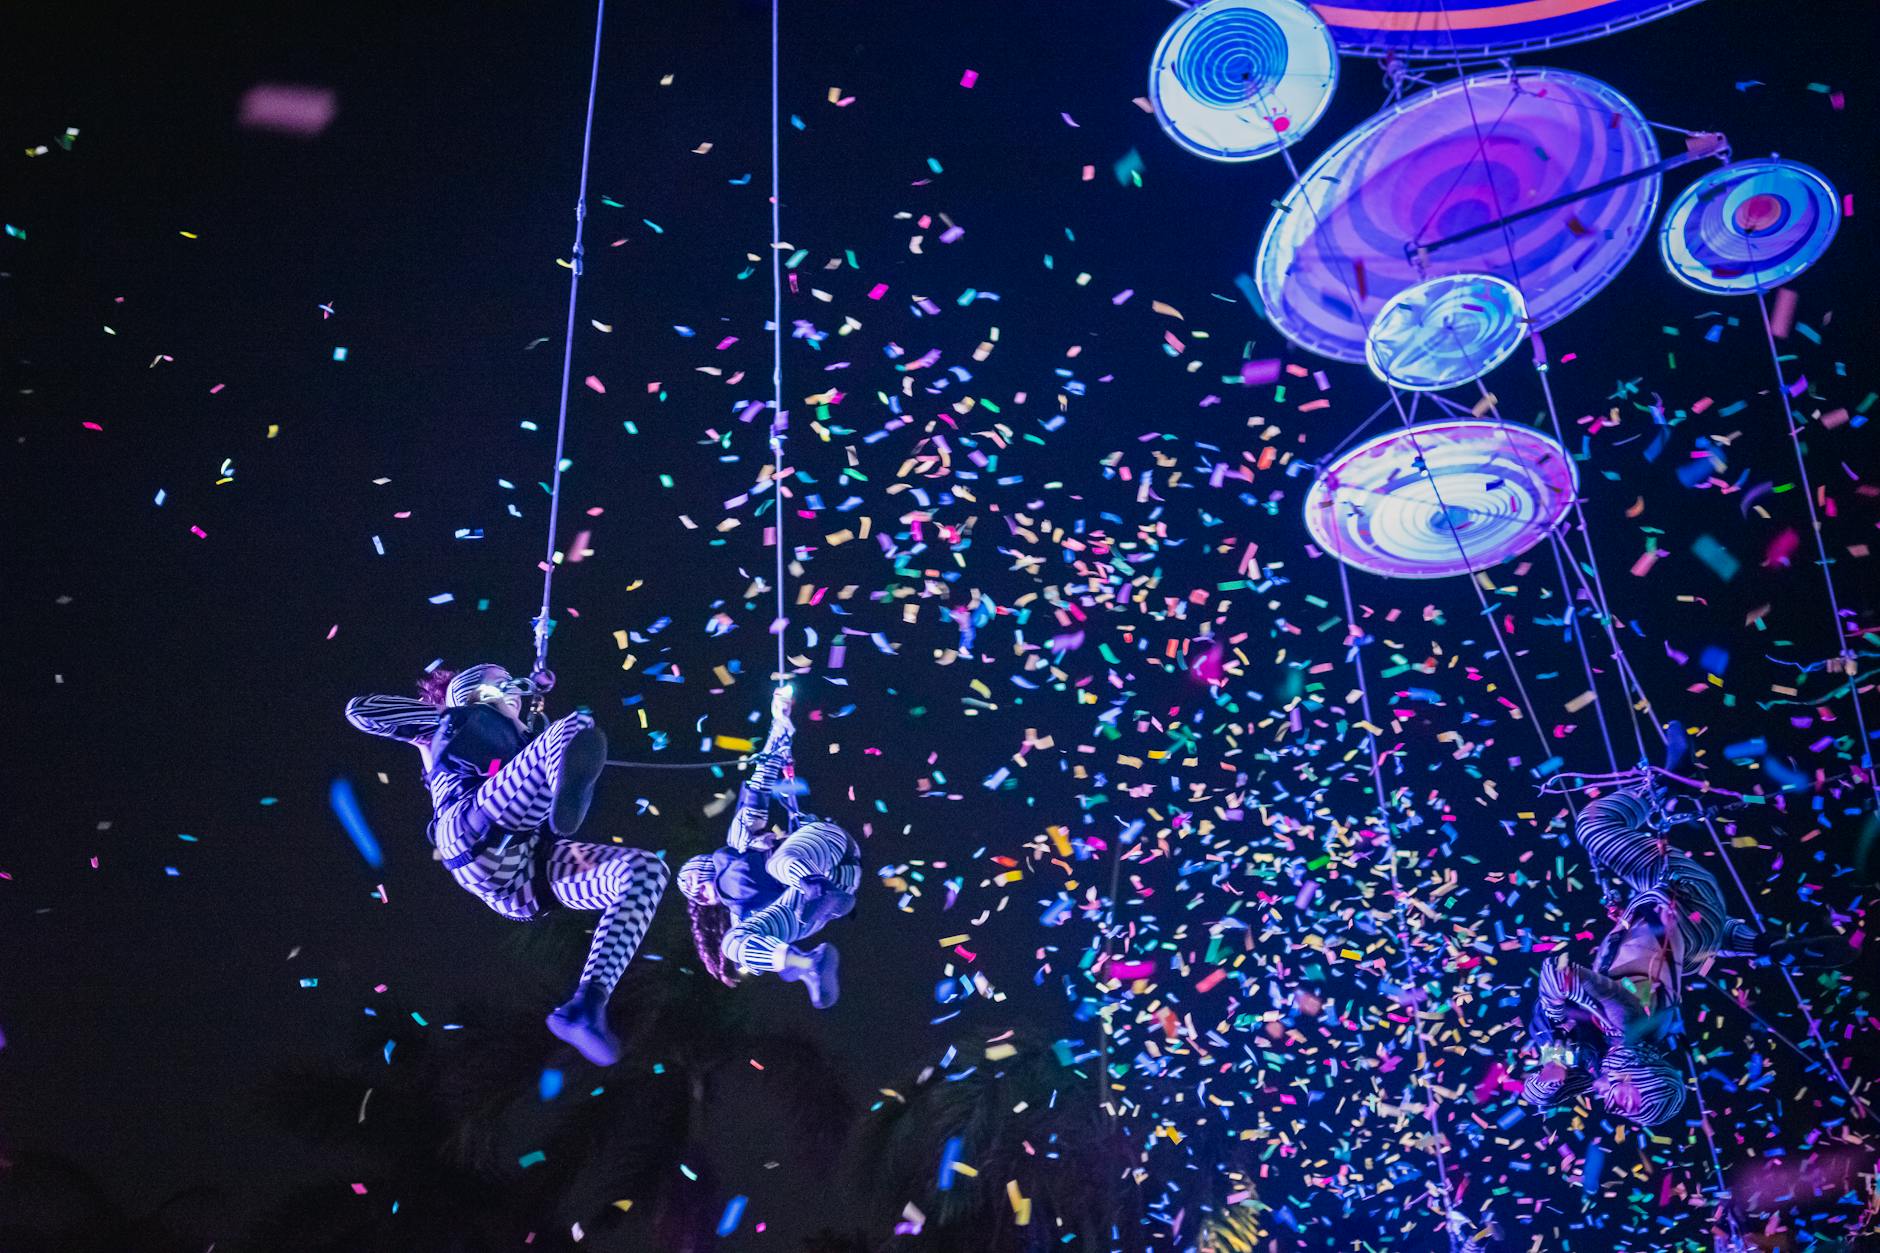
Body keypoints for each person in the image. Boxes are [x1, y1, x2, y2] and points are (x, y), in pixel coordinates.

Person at [345, 664, 668, 1066]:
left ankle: (586, 1006)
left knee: (646, 871)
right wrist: (447, 715)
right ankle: (563, 799)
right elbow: (361, 710)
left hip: (523, 879)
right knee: (572, 729)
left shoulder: (522, 736)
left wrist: (532, 721)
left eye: (511, 683)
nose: (510, 688)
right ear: (473, 696)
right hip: (469, 833)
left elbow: (531, 738)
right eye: (496, 685)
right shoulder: (444, 730)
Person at [1523, 782, 1850, 1125]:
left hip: (1701, 929)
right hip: (1684, 897)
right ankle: (1666, 786)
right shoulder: (1628, 1022)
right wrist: (1556, 1022)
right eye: (1624, 1100)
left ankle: (1768, 946)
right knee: (1594, 825)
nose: (1609, 1101)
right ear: (1639, 1075)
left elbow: (1543, 1091)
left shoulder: (1631, 1039)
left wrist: (1550, 1072)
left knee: (1692, 954)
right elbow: (1559, 975)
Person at [677, 685, 860, 1008]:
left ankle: (818, 889)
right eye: (696, 897)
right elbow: (750, 953)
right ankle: (809, 964)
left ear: (704, 867)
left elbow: (760, 783)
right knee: (732, 943)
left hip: (829, 854)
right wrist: (766, 957)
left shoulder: (735, 849)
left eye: (695, 884)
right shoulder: (739, 913)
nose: (700, 896)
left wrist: (779, 724)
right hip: (815, 903)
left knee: (779, 862)